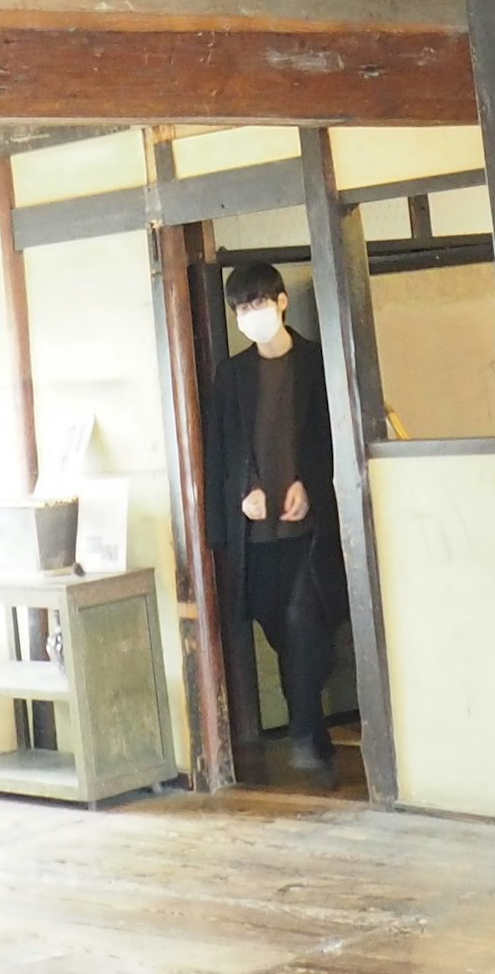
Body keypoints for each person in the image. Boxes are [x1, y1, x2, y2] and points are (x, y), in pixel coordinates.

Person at [208, 259, 343, 773]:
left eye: (259, 302)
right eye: (243, 307)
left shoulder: (317, 363)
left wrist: (313, 486)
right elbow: (220, 451)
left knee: (306, 620)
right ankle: (310, 727)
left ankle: (308, 734)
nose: (252, 313)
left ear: (282, 302)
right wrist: (241, 494)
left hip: (310, 528)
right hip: (257, 535)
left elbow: (334, 439)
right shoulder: (232, 374)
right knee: (278, 628)